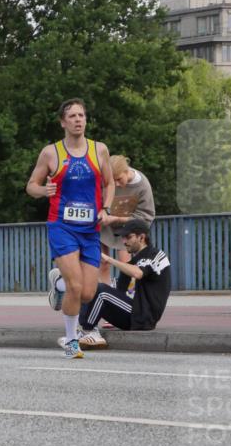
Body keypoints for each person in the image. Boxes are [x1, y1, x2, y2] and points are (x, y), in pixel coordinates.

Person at [27, 98, 114, 359]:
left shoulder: (99, 150)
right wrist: (44, 190)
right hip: (62, 225)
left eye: (82, 115)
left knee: (87, 292)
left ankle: (59, 282)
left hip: (90, 229)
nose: (78, 120)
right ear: (63, 122)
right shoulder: (51, 152)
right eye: (72, 116)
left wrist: (106, 209)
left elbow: (109, 184)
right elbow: (31, 185)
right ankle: (71, 340)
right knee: (77, 286)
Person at [78, 219, 171, 348]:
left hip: (144, 317)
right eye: (122, 237)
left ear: (141, 237)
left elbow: (138, 273)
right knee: (90, 288)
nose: (124, 241)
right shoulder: (133, 262)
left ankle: (88, 331)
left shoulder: (156, 255)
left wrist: (108, 259)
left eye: (128, 237)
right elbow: (118, 291)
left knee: (101, 292)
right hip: (131, 313)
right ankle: (62, 291)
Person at [98, 155, 155, 284]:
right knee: (102, 261)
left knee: (125, 262)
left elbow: (145, 216)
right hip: (106, 224)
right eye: (113, 181)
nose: (116, 184)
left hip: (127, 226)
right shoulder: (107, 181)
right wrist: (103, 212)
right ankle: (104, 293)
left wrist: (116, 218)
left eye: (119, 179)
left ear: (126, 171)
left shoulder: (143, 186)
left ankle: (127, 294)